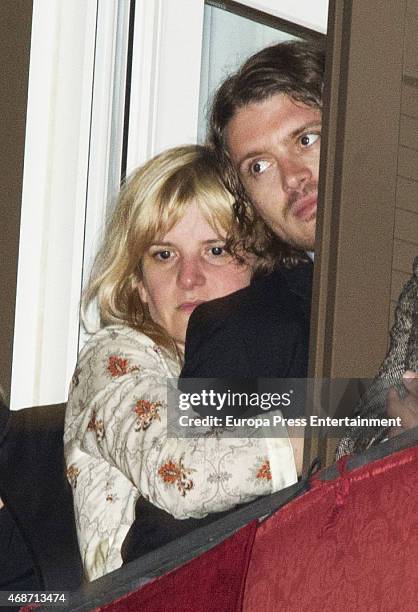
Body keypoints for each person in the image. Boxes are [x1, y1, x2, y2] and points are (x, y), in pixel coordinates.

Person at [64, 145, 302, 581]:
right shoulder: (114, 356)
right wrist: (343, 419)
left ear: (259, 264)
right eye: (164, 254)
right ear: (138, 282)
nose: (188, 277)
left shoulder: (252, 351)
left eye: (215, 250)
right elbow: (182, 472)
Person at [180, 40, 418, 453]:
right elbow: (176, 505)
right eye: (259, 166)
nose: (292, 177)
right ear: (246, 199)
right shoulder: (243, 329)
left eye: (306, 140)